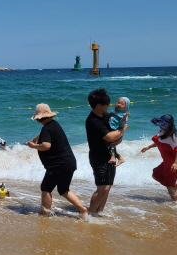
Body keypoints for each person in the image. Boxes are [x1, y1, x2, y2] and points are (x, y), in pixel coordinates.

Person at [26, 104, 88, 219]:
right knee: (64, 189)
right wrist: (35, 139)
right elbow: (46, 135)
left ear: (39, 118)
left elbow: (46, 145)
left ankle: (44, 215)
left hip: (57, 165)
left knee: (46, 188)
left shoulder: (46, 128)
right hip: (69, 162)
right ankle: (81, 208)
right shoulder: (54, 125)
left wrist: (33, 146)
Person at [85, 88, 126, 216]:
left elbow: (115, 132)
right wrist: (123, 130)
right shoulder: (92, 121)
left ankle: (99, 212)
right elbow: (109, 137)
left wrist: (119, 139)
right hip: (98, 157)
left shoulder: (106, 116)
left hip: (110, 155)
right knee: (102, 189)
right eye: (105, 105)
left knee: (108, 187)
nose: (108, 107)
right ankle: (89, 215)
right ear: (98, 106)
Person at [141, 115, 177, 201]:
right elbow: (159, 142)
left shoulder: (173, 138)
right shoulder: (161, 134)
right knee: (156, 174)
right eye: (161, 124)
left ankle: (175, 204)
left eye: (163, 125)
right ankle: (176, 185)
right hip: (167, 162)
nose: (161, 126)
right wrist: (148, 147)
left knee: (169, 185)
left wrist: (176, 163)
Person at [107, 97, 130, 165]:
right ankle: (120, 158)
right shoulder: (113, 112)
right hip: (111, 129)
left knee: (111, 144)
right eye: (118, 103)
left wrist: (124, 117)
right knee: (110, 144)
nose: (119, 105)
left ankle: (113, 157)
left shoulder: (124, 114)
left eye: (122, 104)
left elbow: (122, 124)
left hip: (117, 131)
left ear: (125, 107)